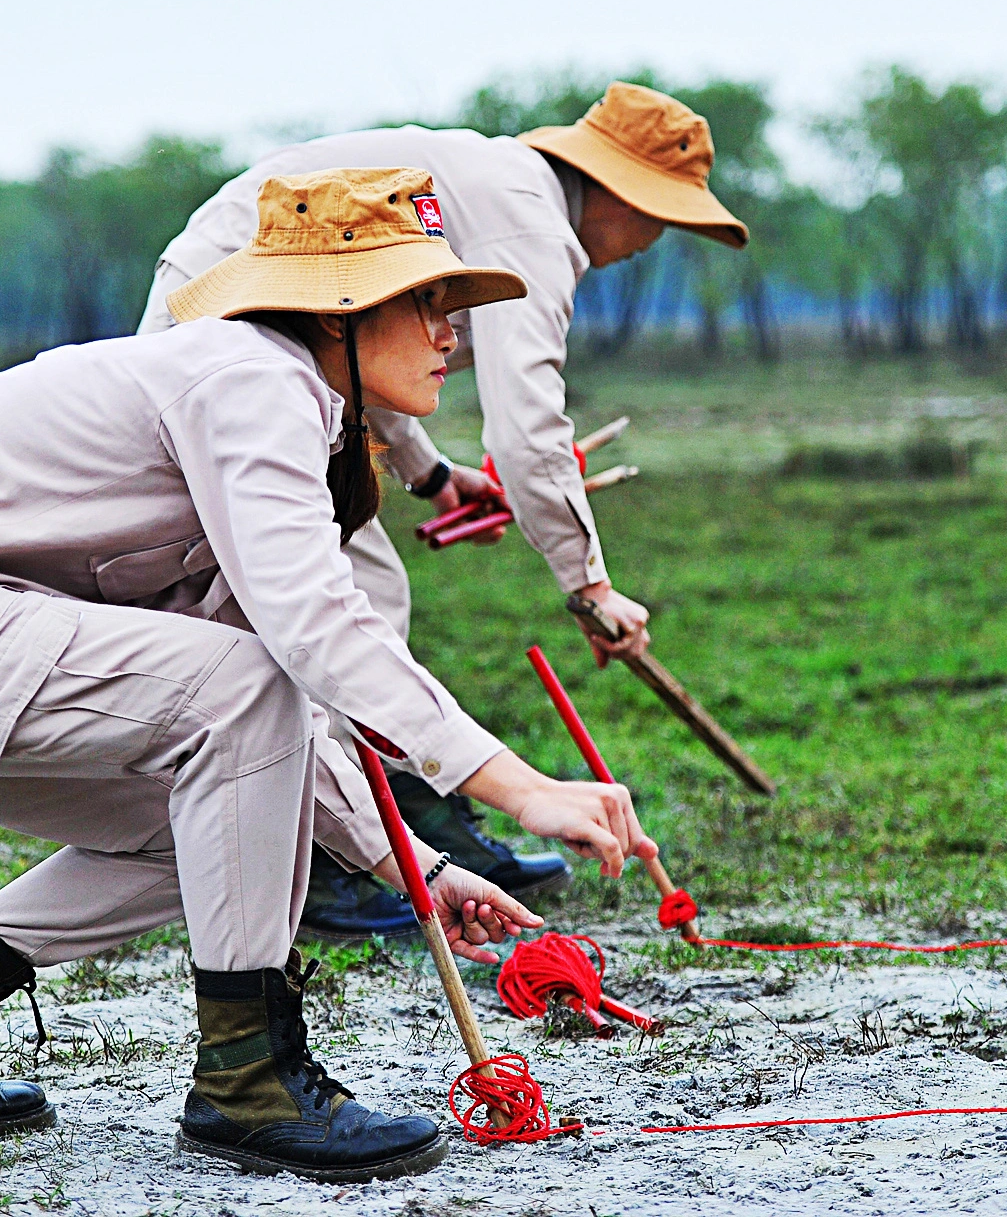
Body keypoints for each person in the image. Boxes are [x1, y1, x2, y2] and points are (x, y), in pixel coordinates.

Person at [0, 168, 658, 1183]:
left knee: (231, 821)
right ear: (342, 310)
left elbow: (283, 720)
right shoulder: (250, 381)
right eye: (427, 301)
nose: (452, 332)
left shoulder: (290, 410)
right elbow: (313, 636)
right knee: (242, 693)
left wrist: (420, 867)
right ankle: (249, 1080)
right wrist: (518, 787)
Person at [138, 84, 747, 939]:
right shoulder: (531, 224)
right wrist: (591, 587)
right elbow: (529, 431)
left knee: (364, 591)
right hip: (228, 304)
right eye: (659, 219)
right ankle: (334, 862)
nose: (650, 243)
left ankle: (409, 831)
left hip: (251, 313)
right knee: (347, 600)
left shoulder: (501, 190)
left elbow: (360, 339)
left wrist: (430, 476)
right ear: (621, 193)